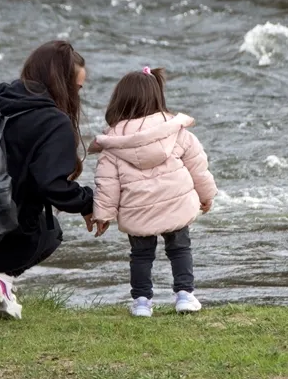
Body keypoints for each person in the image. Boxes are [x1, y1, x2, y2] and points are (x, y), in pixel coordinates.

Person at [0, 40, 94, 319]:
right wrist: (89, 203)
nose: (78, 95)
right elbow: (52, 186)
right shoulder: (52, 121)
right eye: (77, 87)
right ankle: (0, 278)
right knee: (51, 231)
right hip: (5, 239)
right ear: (61, 83)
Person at [90, 66, 218, 317]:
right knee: (180, 248)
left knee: (140, 255)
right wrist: (207, 196)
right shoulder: (176, 130)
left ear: (119, 100)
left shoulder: (112, 142)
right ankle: (184, 295)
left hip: (138, 207)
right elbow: (198, 168)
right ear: (158, 96)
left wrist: (103, 215)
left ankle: (141, 302)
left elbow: (107, 183)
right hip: (175, 203)